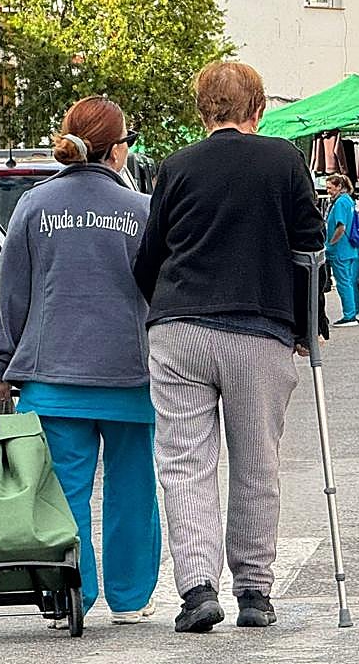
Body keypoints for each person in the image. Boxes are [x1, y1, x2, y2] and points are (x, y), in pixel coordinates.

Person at [133, 61, 325, 634]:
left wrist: (165, 307)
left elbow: (149, 257)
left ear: (203, 111)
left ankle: (196, 590)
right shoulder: (285, 161)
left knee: (185, 463)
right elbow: (310, 253)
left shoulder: (176, 167)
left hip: (181, 327)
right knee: (256, 464)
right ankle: (255, 591)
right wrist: (304, 326)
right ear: (258, 109)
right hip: (259, 329)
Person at [0, 95, 159, 626]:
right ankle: (130, 600)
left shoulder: (33, 206)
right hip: (131, 374)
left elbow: (12, 293)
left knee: (64, 494)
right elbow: (160, 291)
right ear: (117, 151)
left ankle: (70, 596)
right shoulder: (142, 211)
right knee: (133, 491)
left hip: (54, 378)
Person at [325, 174, 359, 327]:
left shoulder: (339, 203)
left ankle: (349, 315)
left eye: (329, 188)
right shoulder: (348, 200)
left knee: (343, 282)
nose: (328, 191)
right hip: (351, 248)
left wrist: (330, 244)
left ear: (339, 187)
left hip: (340, 249)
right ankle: (355, 311)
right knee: (352, 281)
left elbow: (341, 227)